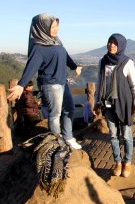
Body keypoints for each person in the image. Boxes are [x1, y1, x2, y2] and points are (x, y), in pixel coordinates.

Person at [7, 13, 82, 149]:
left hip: (62, 82)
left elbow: (65, 56)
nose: (56, 29)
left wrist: (75, 66)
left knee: (69, 109)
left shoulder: (56, 42)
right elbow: (31, 68)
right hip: (51, 84)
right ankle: (57, 143)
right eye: (52, 27)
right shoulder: (38, 47)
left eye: (57, 26)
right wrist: (20, 85)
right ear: (42, 27)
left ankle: (68, 137)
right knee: (55, 114)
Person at [95, 33, 135, 178]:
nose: (112, 45)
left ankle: (127, 162)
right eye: (110, 42)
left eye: (115, 43)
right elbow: (99, 81)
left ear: (121, 45)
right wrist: (97, 101)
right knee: (113, 135)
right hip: (107, 104)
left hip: (124, 103)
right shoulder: (103, 62)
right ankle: (118, 162)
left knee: (126, 135)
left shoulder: (127, 62)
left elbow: (134, 84)